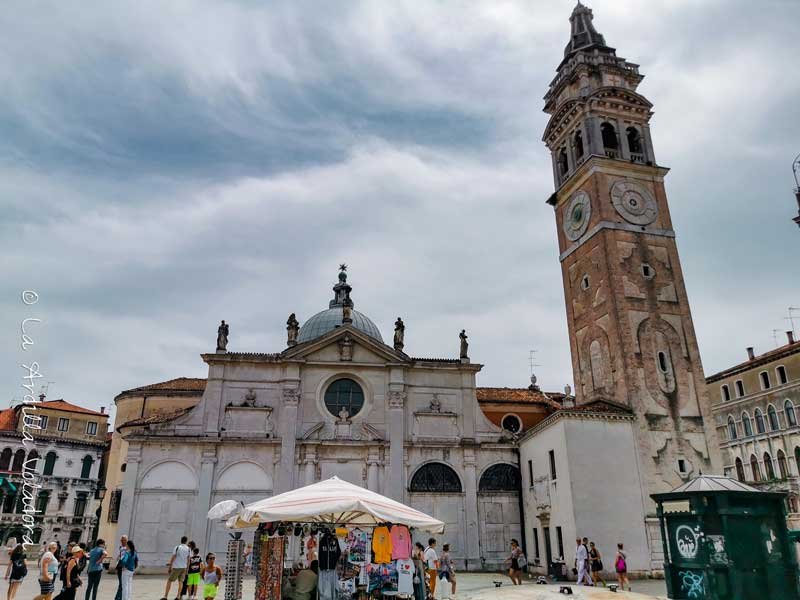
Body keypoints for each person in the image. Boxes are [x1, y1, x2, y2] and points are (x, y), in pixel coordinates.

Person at [163, 536, 190, 600]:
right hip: (184, 567)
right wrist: (187, 569)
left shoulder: (177, 547)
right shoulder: (188, 549)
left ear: (181, 540)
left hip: (177, 567)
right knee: (181, 582)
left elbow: (173, 557)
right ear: (186, 541)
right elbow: (188, 559)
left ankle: (165, 596)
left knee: (169, 580)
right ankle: (178, 596)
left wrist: (170, 566)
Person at [113, 536, 128, 600]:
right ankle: (118, 598)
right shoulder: (121, 548)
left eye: (123, 540)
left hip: (125, 568)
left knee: (122, 584)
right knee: (121, 584)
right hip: (120, 567)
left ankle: (118, 598)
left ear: (126, 540)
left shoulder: (128, 548)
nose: (122, 541)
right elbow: (119, 557)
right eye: (121, 540)